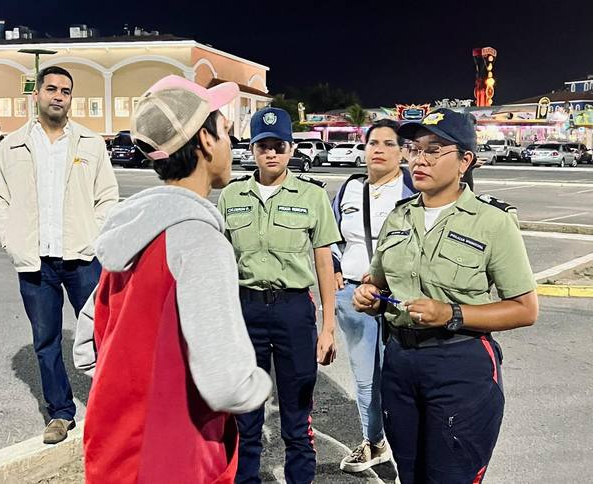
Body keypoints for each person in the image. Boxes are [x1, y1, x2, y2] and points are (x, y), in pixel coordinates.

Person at [73, 75, 272, 483]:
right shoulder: (198, 240)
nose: (232, 146)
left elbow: (85, 347)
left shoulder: (128, 233)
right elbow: (226, 385)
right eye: (226, 132)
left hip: (114, 449)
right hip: (176, 455)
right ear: (205, 140)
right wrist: (260, 387)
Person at [352, 108, 539, 483]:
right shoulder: (399, 217)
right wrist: (369, 294)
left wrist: (451, 313)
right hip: (400, 363)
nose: (419, 159)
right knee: (410, 474)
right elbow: (378, 280)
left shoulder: (492, 222)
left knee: (451, 476)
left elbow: (524, 308)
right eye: (414, 148)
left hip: (459, 364)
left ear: (465, 160)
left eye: (434, 150)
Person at [0, 65, 119, 444]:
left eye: (65, 90)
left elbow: (107, 196)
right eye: (51, 89)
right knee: (45, 341)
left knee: (103, 334)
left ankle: (110, 406)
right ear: (37, 95)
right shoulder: (10, 145)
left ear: (70, 98)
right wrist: (8, 237)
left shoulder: (91, 144)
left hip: (81, 259)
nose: (58, 96)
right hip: (35, 263)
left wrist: (93, 237)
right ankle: (60, 413)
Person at [217, 107, 341, 484]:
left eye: (279, 146)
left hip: (293, 311)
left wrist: (328, 327)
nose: (271, 153)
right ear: (252, 150)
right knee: (246, 415)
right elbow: (223, 262)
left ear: (291, 149)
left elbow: (323, 263)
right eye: (263, 146)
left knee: (296, 413)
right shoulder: (231, 195)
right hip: (246, 310)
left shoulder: (311, 196)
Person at [330, 119, 416, 473]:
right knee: (365, 376)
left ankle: (410, 451)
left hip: (399, 297)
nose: (378, 150)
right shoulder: (349, 188)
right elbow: (331, 235)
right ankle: (374, 442)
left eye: (388, 144)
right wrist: (336, 269)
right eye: (373, 143)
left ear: (401, 153)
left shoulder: (413, 190)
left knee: (402, 377)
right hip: (354, 296)